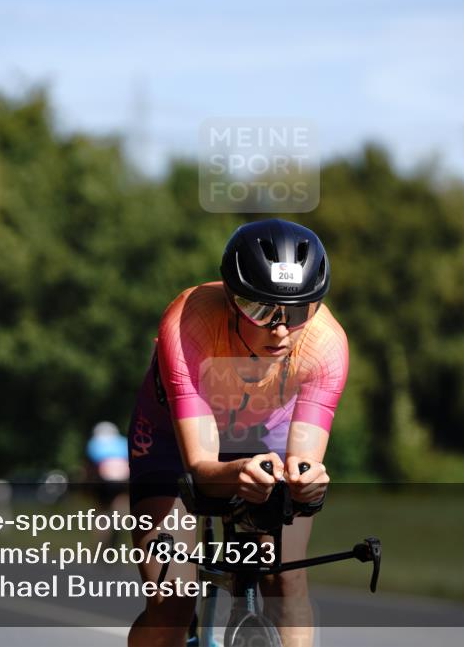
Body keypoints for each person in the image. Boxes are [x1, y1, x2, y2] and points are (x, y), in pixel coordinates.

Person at [127, 219, 348, 647]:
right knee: (171, 601)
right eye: (262, 311)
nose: (281, 331)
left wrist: (308, 483)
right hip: (172, 439)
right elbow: (200, 465)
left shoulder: (326, 344)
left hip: (266, 435)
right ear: (231, 300)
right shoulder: (188, 321)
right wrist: (240, 470)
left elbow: (304, 462)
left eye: (299, 311)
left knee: (287, 584)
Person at [86, 421, 130, 546]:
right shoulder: (123, 443)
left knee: (102, 513)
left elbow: (91, 468)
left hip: (103, 482)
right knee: (120, 509)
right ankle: (116, 537)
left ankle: (101, 544)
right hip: (122, 481)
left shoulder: (94, 444)